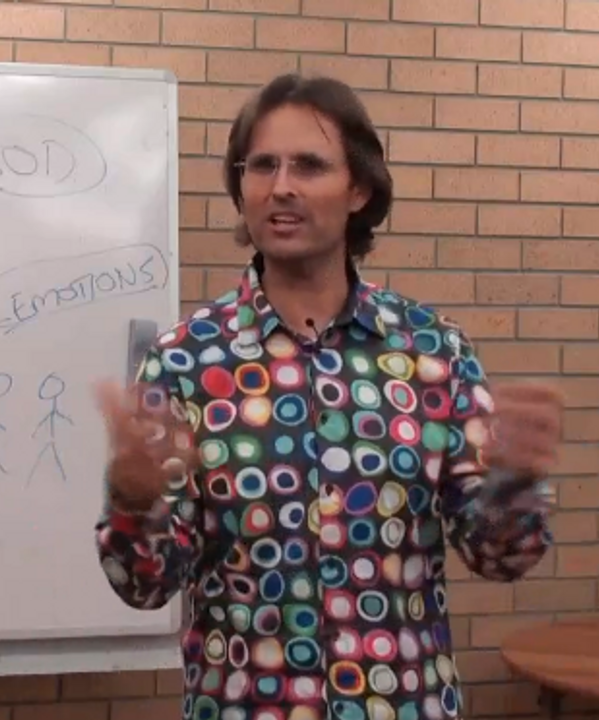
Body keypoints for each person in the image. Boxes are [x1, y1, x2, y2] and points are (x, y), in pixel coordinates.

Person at [94, 74, 563, 720]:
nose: (281, 186)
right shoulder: (186, 362)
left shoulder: (433, 354)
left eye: (309, 166)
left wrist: (513, 481)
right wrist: (133, 502)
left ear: (359, 189)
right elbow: (144, 586)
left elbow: (498, 556)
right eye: (262, 166)